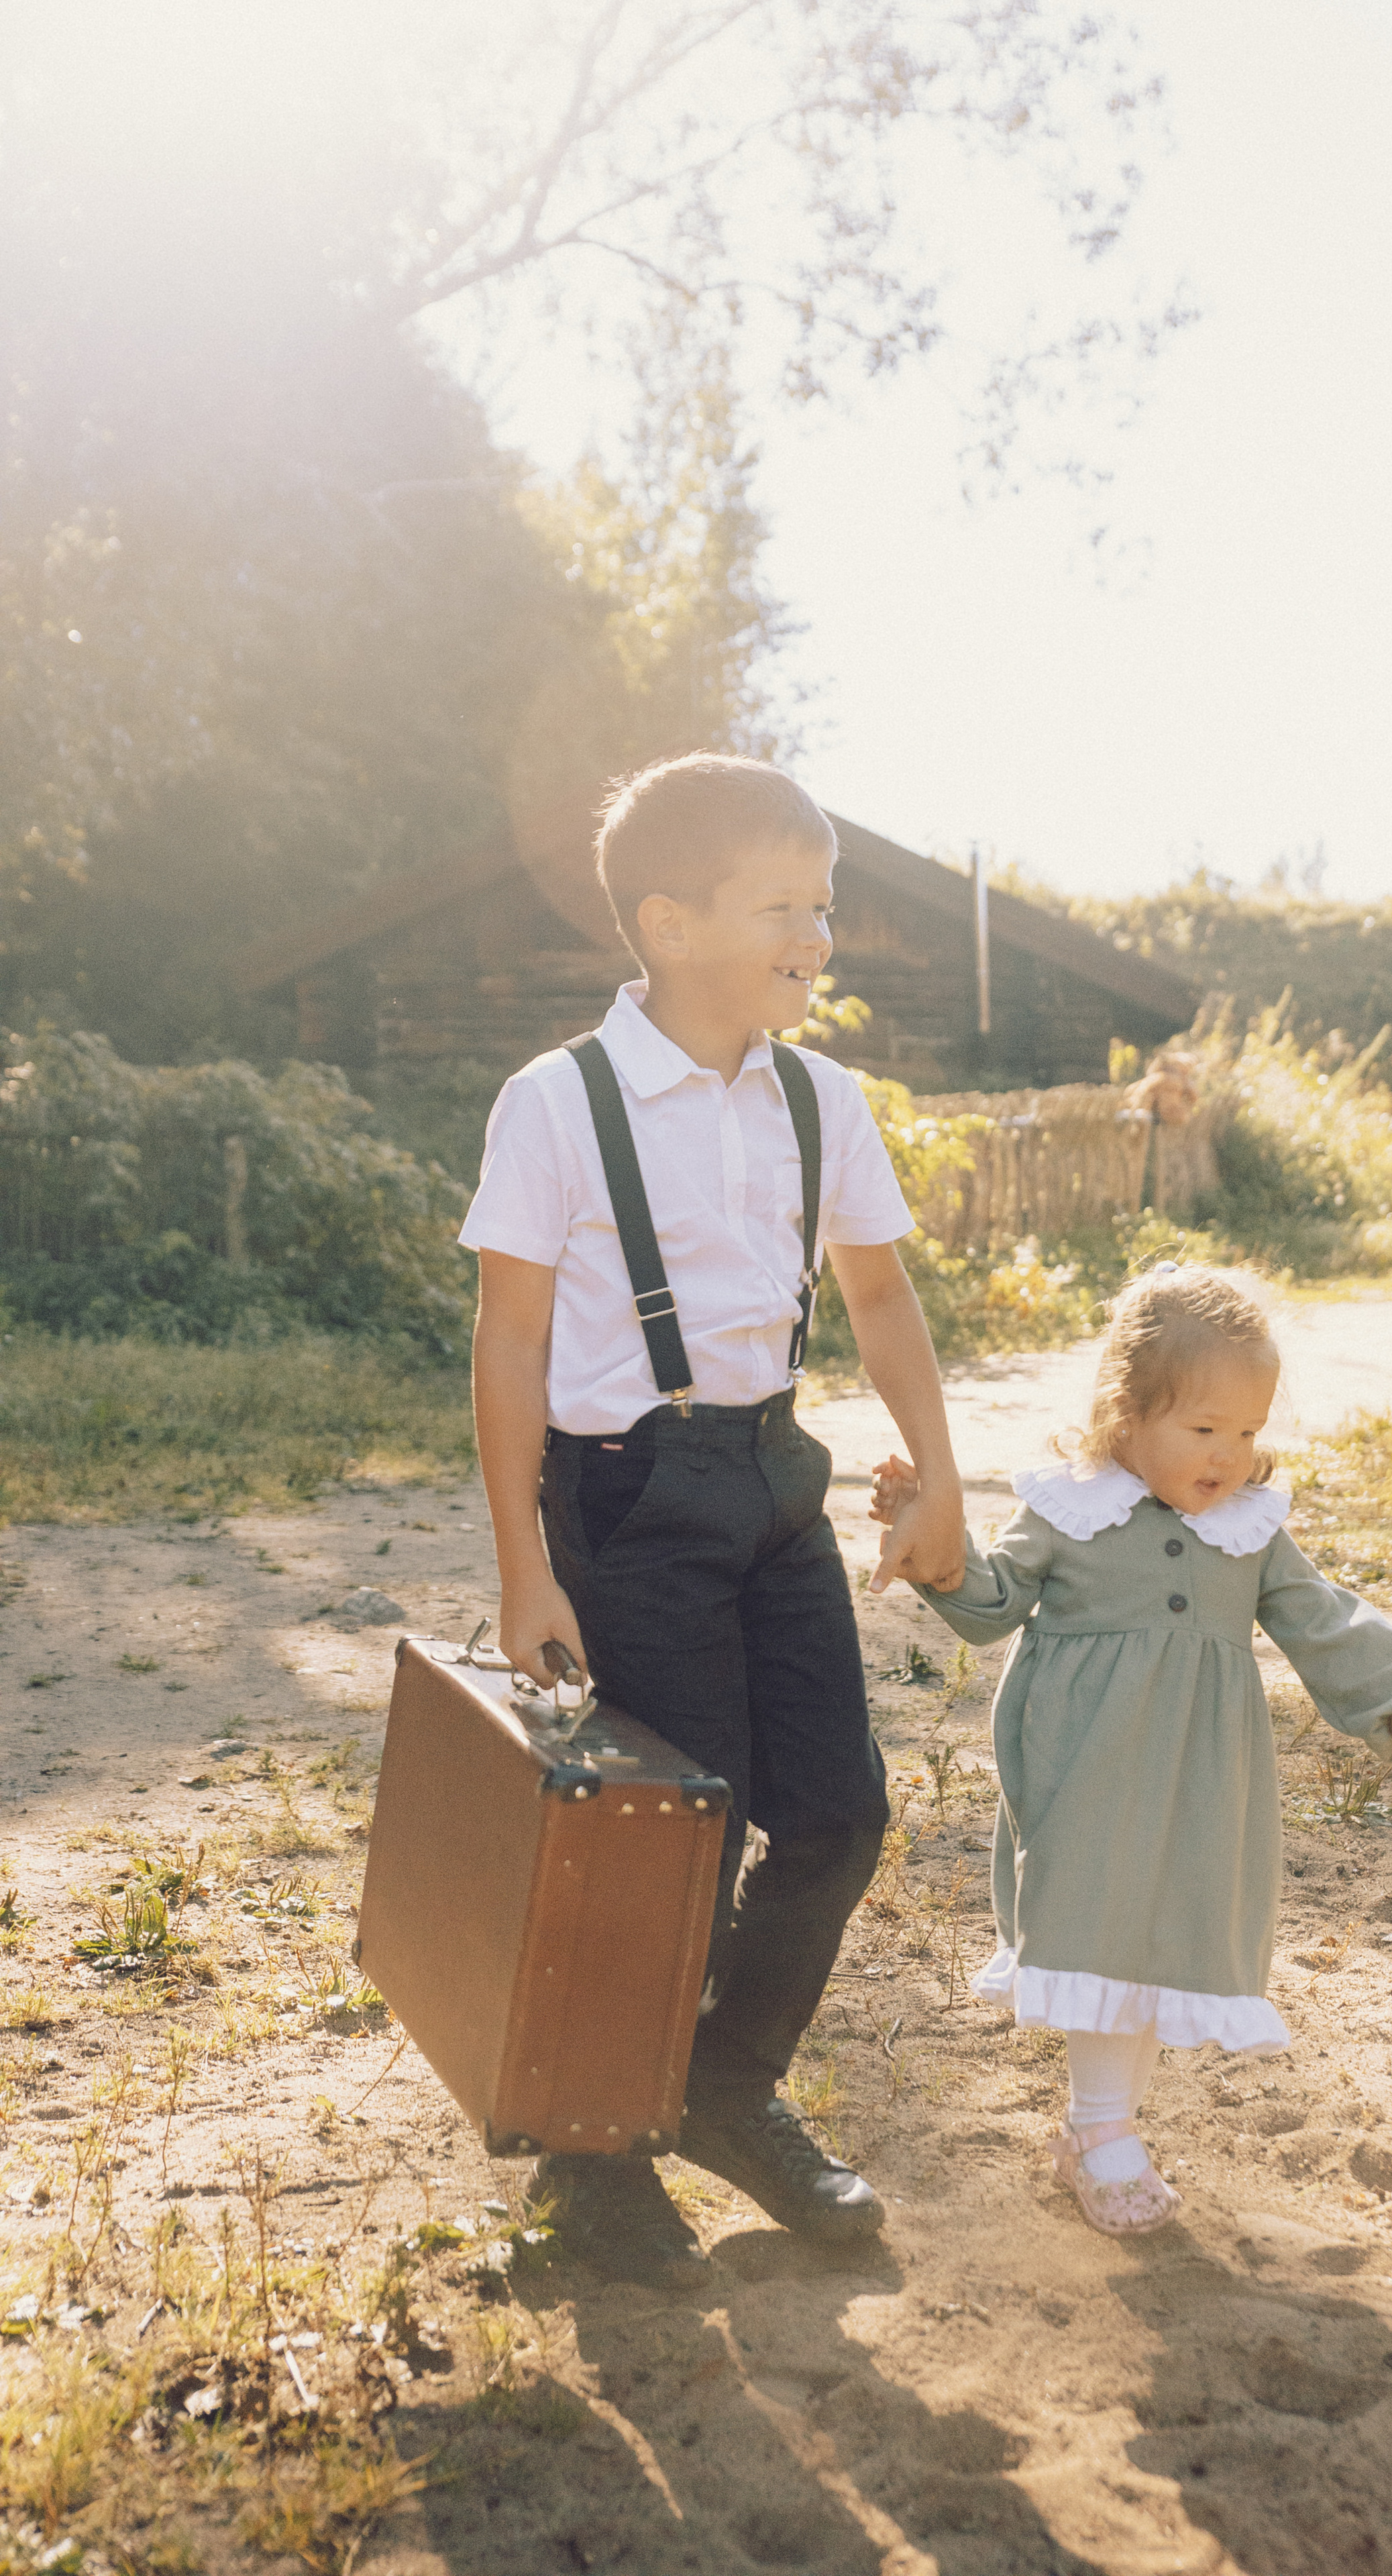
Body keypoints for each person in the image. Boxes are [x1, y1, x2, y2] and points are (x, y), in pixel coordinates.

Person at [458, 753, 967, 2287]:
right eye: (782, 906)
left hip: (771, 1475)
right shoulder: (558, 1102)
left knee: (836, 1814)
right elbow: (509, 1342)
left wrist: (940, 1472)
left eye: (823, 903)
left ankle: (724, 2088)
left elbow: (878, 1294)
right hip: (624, 1494)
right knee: (667, 1833)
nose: (817, 932)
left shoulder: (824, 1098)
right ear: (670, 924)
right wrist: (524, 1567)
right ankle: (592, 2161)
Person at [869, 1262, 1392, 2237]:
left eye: (1248, 1433)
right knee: (1101, 1932)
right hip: (1086, 1767)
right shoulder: (1069, 1508)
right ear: (1126, 1414)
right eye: (1205, 1429)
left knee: (1160, 1944)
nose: (1230, 1456)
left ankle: (1100, 2129)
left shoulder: (1249, 1528)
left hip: (1201, 1779)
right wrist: (925, 1536)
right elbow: (990, 1604)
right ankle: (1103, 2132)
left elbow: (1320, 1619)